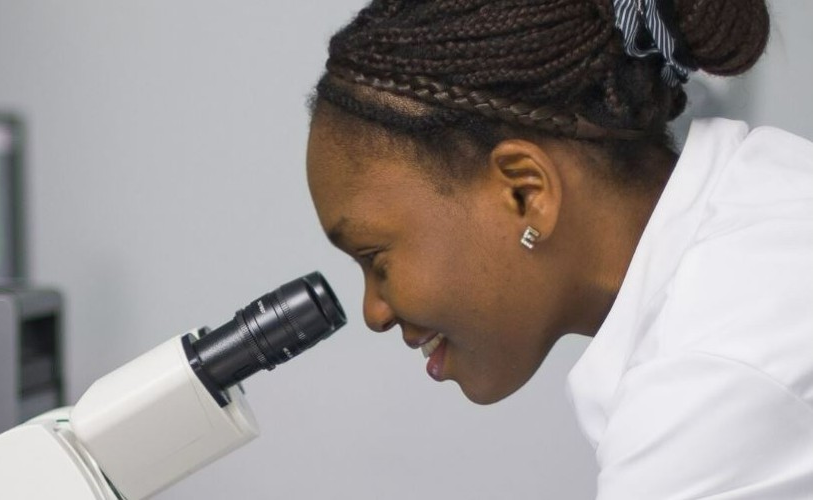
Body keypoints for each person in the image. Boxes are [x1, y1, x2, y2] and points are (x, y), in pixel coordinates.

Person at [304, 0, 813, 498]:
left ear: (526, 193)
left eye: (375, 258)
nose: (374, 311)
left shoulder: (710, 376)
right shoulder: (768, 193)